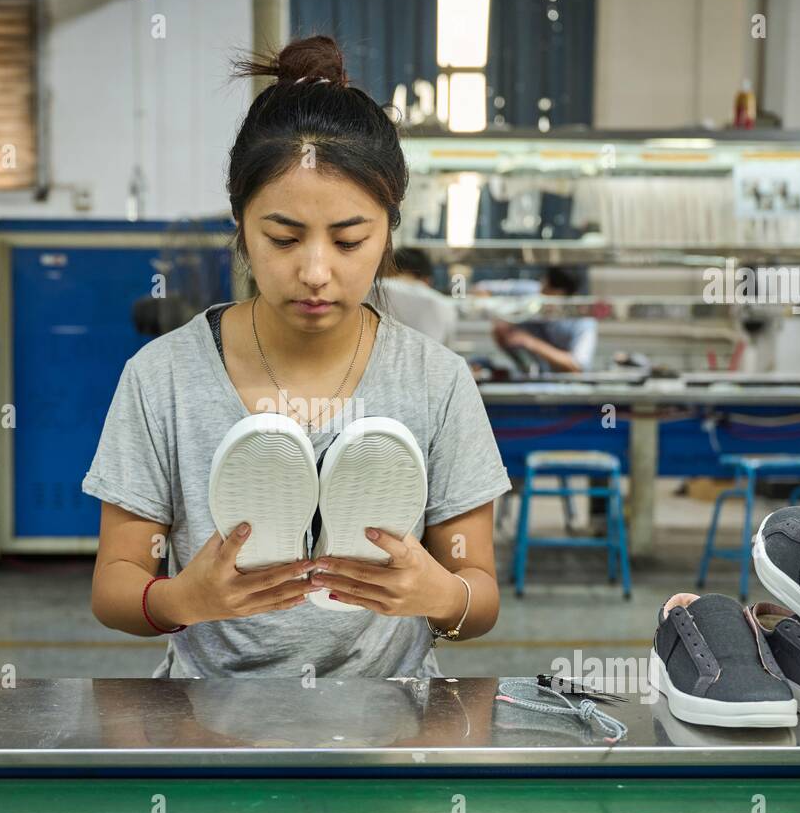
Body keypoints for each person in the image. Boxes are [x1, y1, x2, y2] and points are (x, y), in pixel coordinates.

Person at [83, 36, 511, 679]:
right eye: (283, 238)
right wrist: (180, 599)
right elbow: (114, 585)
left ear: (389, 228)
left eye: (349, 240)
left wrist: (440, 595)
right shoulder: (163, 377)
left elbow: (478, 599)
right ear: (239, 222)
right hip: (207, 721)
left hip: (389, 720)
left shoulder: (436, 382)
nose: (315, 271)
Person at [490, 267, 597, 374]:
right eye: (543, 290)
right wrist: (502, 317)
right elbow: (483, 289)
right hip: (526, 378)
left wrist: (530, 342)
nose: (543, 299)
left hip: (565, 386)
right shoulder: (532, 292)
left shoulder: (583, 321)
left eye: (550, 296)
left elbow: (578, 366)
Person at [374, 247, 458, 347]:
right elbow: (447, 351)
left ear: (390, 268)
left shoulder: (373, 289)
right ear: (428, 280)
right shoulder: (444, 305)